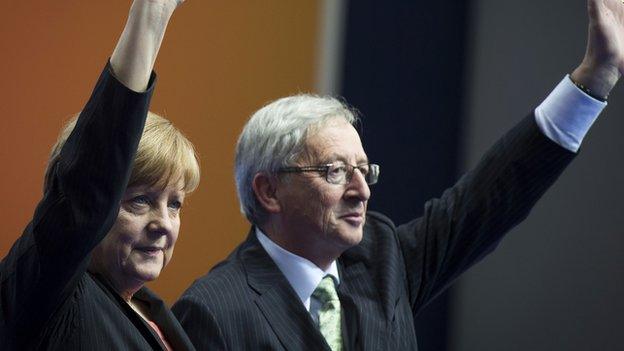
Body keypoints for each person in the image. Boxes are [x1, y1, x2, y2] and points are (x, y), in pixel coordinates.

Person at [171, 0, 623, 350]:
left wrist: (594, 77)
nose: (361, 190)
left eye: (364, 171)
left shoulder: (380, 260)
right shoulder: (212, 312)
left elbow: (493, 195)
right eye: (335, 172)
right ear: (269, 191)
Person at [0, 1, 198, 350]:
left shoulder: (154, 312)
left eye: (175, 204)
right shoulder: (48, 292)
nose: (164, 224)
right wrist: (151, 15)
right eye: (141, 201)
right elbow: (88, 185)